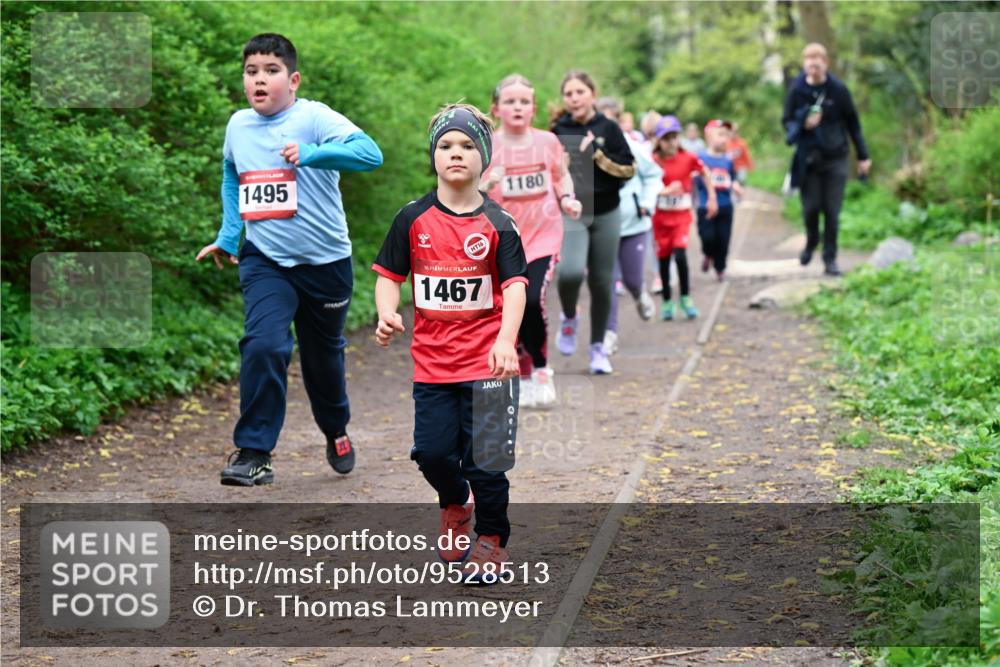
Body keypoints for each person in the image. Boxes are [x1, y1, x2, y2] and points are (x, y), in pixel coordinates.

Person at [197, 33, 383, 486]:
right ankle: (254, 452)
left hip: (326, 264)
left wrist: (314, 154)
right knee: (265, 344)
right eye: (251, 71)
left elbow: (370, 154)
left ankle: (336, 429)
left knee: (323, 364)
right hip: (266, 260)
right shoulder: (238, 126)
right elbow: (230, 172)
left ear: (293, 79)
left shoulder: (314, 117)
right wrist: (229, 233)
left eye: (271, 71)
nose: (259, 80)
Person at [372, 103, 528, 583]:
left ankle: (491, 541)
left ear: (484, 158)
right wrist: (386, 311)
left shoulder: (500, 223)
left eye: (466, 146)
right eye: (445, 146)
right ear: (433, 156)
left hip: (489, 365)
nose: (455, 154)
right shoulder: (412, 218)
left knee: (487, 464)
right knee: (433, 454)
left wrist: (506, 341)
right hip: (434, 366)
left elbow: (515, 286)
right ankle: (454, 502)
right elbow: (389, 275)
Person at [482, 74, 581, 409]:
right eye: (510, 102)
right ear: (496, 109)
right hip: (505, 238)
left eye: (524, 101)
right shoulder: (487, 145)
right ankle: (522, 374)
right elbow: (470, 190)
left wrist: (567, 198)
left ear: (534, 108)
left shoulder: (548, 142)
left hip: (544, 236)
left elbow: (560, 175)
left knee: (532, 298)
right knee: (510, 307)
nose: (518, 107)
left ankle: (541, 371)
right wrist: (486, 183)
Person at [549, 71, 636, 375]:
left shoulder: (608, 128)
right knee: (569, 272)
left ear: (592, 94)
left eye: (579, 92)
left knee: (601, 282)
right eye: (568, 93)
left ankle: (598, 347)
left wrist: (596, 154)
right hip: (573, 212)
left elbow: (628, 169)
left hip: (607, 212)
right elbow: (549, 172)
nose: (574, 98)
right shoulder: (558, 129)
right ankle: (569, 316)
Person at [783, 42, 871, 276]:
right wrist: (803, 122)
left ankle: (829, 258)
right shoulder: (797, 90)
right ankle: (812, 241)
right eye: (809, 59)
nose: (813, 63)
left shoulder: (838, 90)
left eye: (817, 58)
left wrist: (863, 156)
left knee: (832, 211)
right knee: (811, 208)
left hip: (836, 158)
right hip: (808, 159)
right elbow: (787, 121)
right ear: (804, 64)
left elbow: (853, 124)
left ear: (825, 63)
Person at [594, 97, 660, 354]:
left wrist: (646, 201)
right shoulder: (588, 148)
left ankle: (640, 293)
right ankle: (609, 333)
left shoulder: (632, 146)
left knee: (632, 280)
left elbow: (654, 174)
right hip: (601, 227)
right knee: (606, 281)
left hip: (632, 224)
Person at [651, 115, 717, 321]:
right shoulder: (652, 161)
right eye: (666, 138)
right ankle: (668, 302)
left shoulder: (688, 158)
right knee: (663, 258)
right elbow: (644, 185)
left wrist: (711, 197)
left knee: (680, 254)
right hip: (660, 219)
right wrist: (662, 191)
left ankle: (686, 298)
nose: (670, 142)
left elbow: (704, 172)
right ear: (658, 140)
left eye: (674, 137)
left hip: (681, 217)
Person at [695, 120, 744, 281]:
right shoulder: (700, 158)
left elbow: (732, 178)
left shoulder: (728, 160)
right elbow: (692, 177)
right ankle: (708, 254)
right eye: (720, 134)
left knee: (723, 240)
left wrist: (736, 187)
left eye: (727, 135)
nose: (724, 139)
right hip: (705, 206)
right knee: (708, 238)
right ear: (709, 136)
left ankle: (720, 269)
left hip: (725, 206)